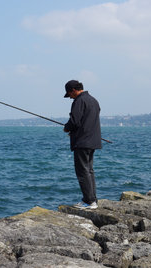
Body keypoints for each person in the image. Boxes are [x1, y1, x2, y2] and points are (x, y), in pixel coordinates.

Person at [63, 80, 102, 209]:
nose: (70, 97)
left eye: (70, 94)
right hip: (93, 141)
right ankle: (93, 200)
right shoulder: (93, 100)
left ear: (74, 90)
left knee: (82, 171)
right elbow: (88, 121)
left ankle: (88, 201)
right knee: (89, 171)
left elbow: (74, 121)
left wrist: (67, 128)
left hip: (82, 142)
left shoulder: (79, 101)